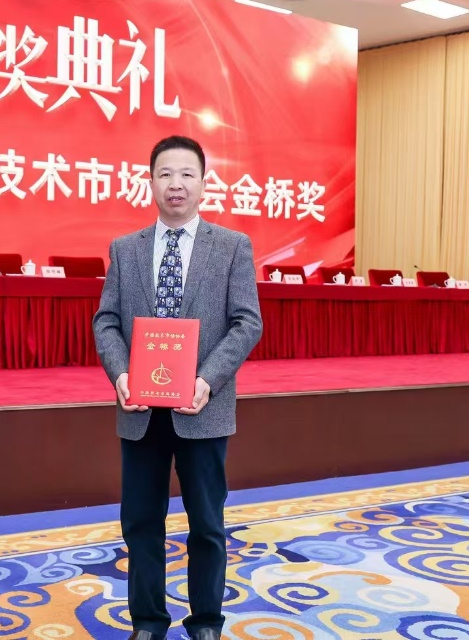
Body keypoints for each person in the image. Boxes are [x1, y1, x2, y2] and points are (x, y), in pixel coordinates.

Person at [92, 135, 263, 640]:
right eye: (165, 173)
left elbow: (247, 322)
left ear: (204, 183)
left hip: (202, 409)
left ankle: (206, 621)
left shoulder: (231, 246)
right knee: (141, 523)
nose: (176, 184)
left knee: (207, 525)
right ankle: (148, 622)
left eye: (187, 174)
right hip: (140, 411)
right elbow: (106, 321)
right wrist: (121, 375)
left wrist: (207, 380)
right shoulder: (125, 249)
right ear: (150, 182)